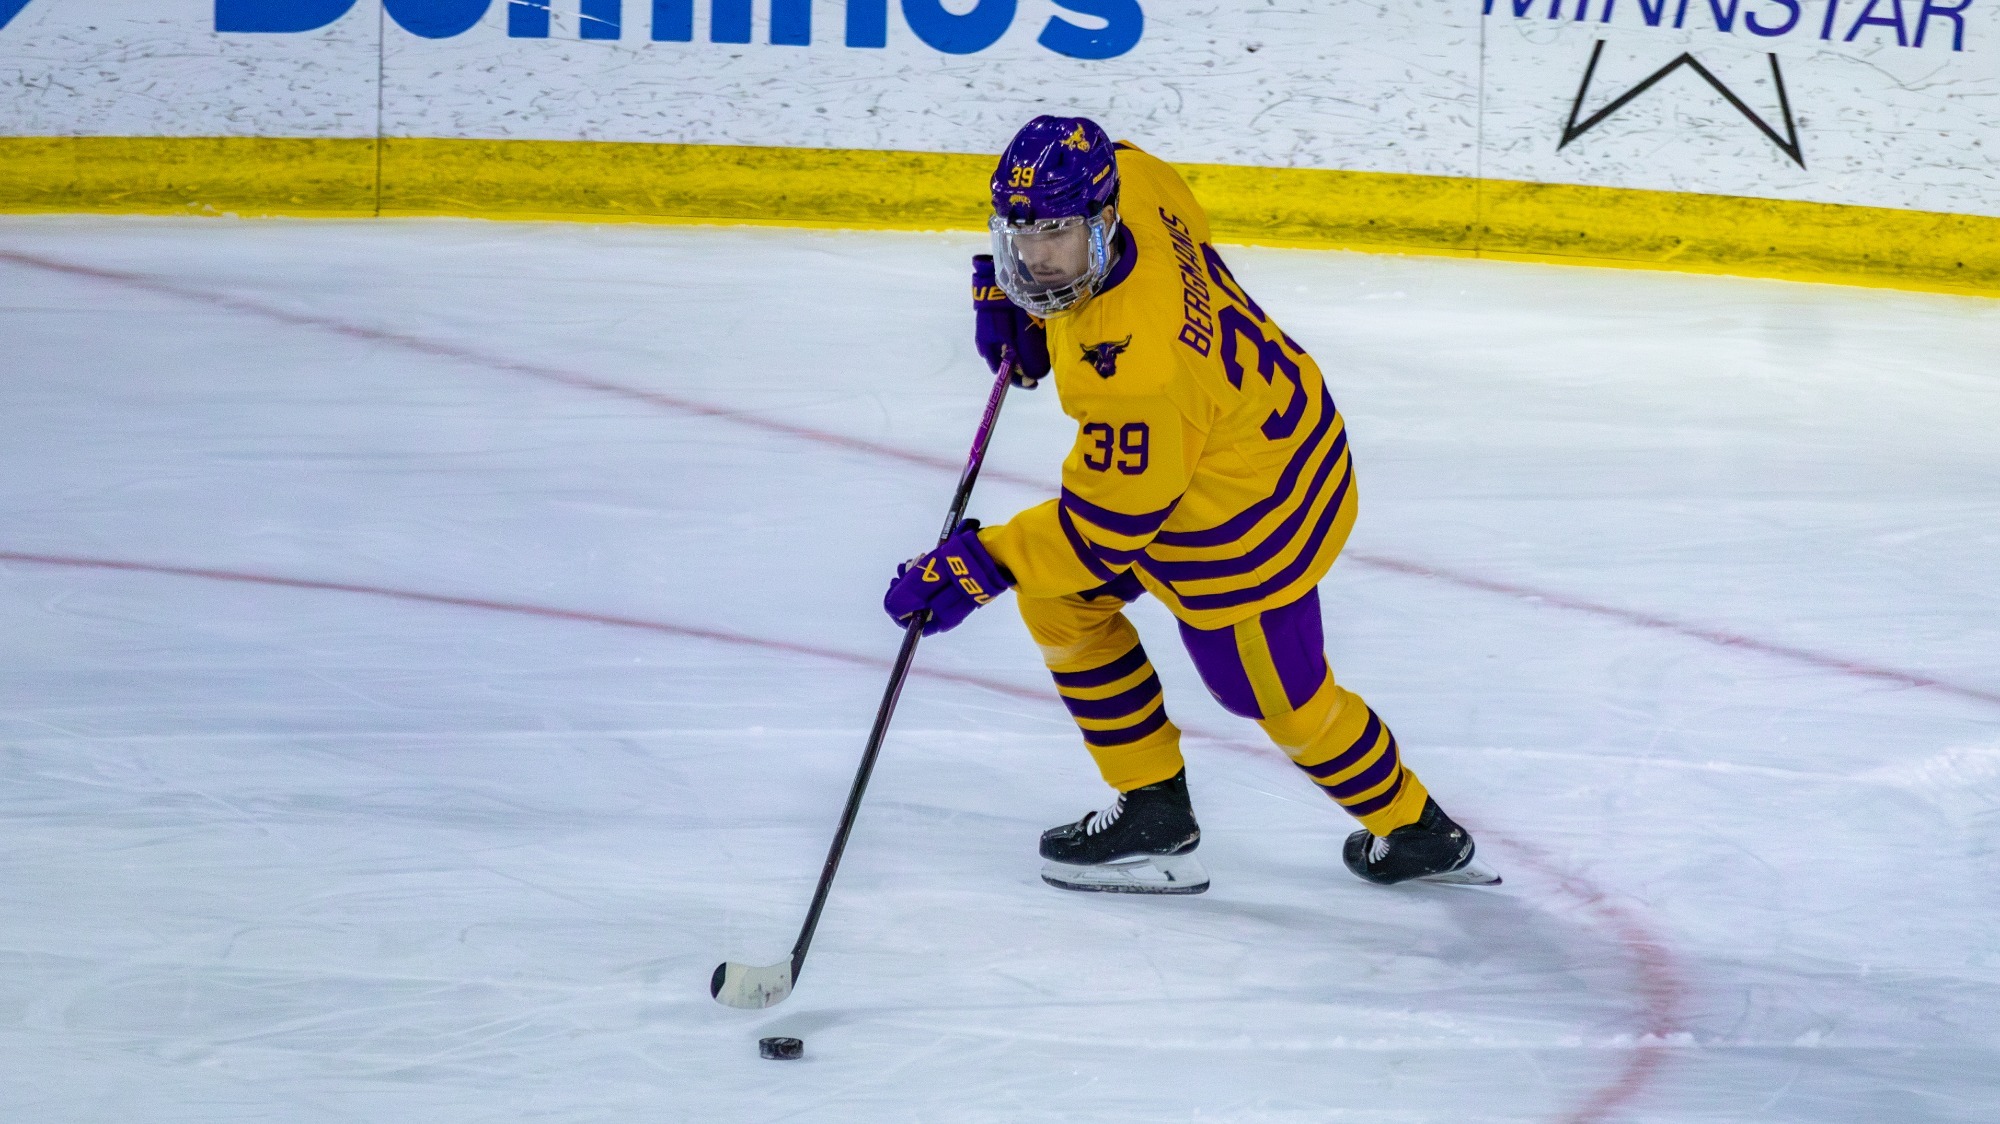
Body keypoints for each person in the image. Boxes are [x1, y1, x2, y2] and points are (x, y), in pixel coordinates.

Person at [883, 116, 1497, 894]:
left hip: (1248, 521)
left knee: (1279, 699)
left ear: (1102, 222)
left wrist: (980, 563)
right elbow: (1120, 161)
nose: (1035, 257)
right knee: (1061, 605)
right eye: (1020, 234)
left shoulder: (1135, 374)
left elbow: (1099, 535)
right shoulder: (1134, 181)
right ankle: (1153, 814)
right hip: (1269, 436)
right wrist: (1023, 304)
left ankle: (1418, 831)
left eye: (1056, 236)